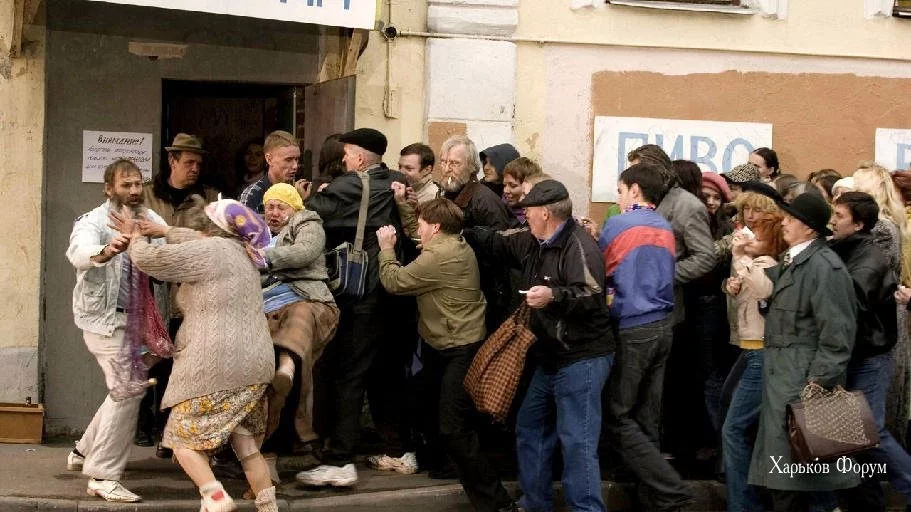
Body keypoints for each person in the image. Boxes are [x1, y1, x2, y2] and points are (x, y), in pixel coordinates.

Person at [466, 180, 615, 512]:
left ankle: (587, 509)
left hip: (582, 357)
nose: (525, 216)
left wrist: (553, 296)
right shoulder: (532, 240)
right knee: (530, 426)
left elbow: (592, 296)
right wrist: (460, 227)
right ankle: (535, 504)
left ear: (545, 213)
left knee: (577, 441)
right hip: (550, 357)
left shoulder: (579, 246)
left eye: (529, 211)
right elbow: (496, 241)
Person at [124, 197, 277, 512]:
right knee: (247, 446)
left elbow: (150, 259)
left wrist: (135, 237)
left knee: (181, 440)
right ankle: (268, 507)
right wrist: (165, 230)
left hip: (218, 366)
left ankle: (215, 497)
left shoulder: (210, 251)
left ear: (209, 229)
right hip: (255, 366)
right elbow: (195, 241)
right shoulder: (243, 252)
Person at [376, 198, 516, 512]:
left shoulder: (439, 255)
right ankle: (441, 463)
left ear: (436, 227)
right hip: (446, 344)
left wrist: (386, 249)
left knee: (454, 427)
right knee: (423, 401)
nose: (419, 231)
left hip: (458, 349)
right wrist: (408, 211)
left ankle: (496, 502)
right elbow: (420, 236)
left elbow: (395, 282)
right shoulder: (453, 242)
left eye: (423, 225)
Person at [295, 128, 409, 487]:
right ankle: (397, 449)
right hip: (390, 290)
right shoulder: (397, 181)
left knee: (348, 373)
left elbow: (310, 214)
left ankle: (340, 459)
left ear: (359, 158)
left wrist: (305, 196)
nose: (343, 160)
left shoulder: (349, 185)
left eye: (347, 155)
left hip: (360, 293)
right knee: (383, 373)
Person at [748, 193, 859, 511]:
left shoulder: (825, 267)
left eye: (791, 218)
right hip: (785, 377)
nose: (783, 222)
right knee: (790, 477)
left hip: (801, 382)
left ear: (809, 228)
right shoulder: (795, 261)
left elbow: (837, 335)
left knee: (798, 478)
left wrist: (818, 383)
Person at [65, 159, 167, 503]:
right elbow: (78, 252)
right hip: (103, 321)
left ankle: (83, 451)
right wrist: (107, 250)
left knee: (124, 388)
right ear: (109, 189)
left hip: (139, 323)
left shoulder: (149, 219)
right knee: (129, 388)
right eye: (126, 185)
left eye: (138, 184)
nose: (135, 190)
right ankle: (102, 475)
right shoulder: (93, 221)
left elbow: (169, 253)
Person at [600, 163, 691, 511]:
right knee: (647, 415)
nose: (618, 198)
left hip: (632, 324)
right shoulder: (664, 226)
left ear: (635, 189)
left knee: (617, 416)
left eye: (620, 191)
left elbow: (601, 268)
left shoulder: (619, 224)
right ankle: (654, 499)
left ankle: (669, 487)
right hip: (663, 324)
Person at [829, 192, 911, 511]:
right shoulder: (843, 248)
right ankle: (868, 501)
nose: (832, 221)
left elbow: (849, 301)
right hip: (855, 353)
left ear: (859, 224)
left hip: (870, 356)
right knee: (853, 435)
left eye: (839, 216)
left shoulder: (868, 259)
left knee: (869, 429)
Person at [139, 133, 218, 456]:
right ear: (172, 161)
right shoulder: (147, 194)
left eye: (199, 163)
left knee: (180, 369)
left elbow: (213, 240)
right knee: (148, 361)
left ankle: (168, 434)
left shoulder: (207, 198)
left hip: (188, 294)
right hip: (151, 291)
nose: (195, 168)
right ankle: (141, 424)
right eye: (189, 162)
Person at [260, 183, 340, 454]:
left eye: (280, 207)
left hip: (306, 299)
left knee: (300, 314)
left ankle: (287, 365)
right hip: (267, 309)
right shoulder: (257, 233)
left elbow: (304, 252)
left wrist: (262, 256)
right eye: (269, 207)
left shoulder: (307, 223)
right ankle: (269, 440)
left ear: (294, 208)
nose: (273, 212)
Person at [721, 208, 786, 512]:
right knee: (737, 418)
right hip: (750, 348)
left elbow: (764, 288)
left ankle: (743, 504)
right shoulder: (755, 262)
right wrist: (732, 287)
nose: (749, 239)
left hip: (760, 351)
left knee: (733, 429)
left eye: (756, 236)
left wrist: (741, 258)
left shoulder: (768, 263)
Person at [240, 130, 301, 214]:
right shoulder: (254, 194)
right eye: (288, 160)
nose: (295, 166)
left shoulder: (296, 190)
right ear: (269, 159)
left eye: (296, 159)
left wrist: (298, 200)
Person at [502, 157, 543, 225]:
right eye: (504, 185)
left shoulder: (540, 217)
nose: (505, 190)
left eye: (513, 185)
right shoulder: (501, 208)